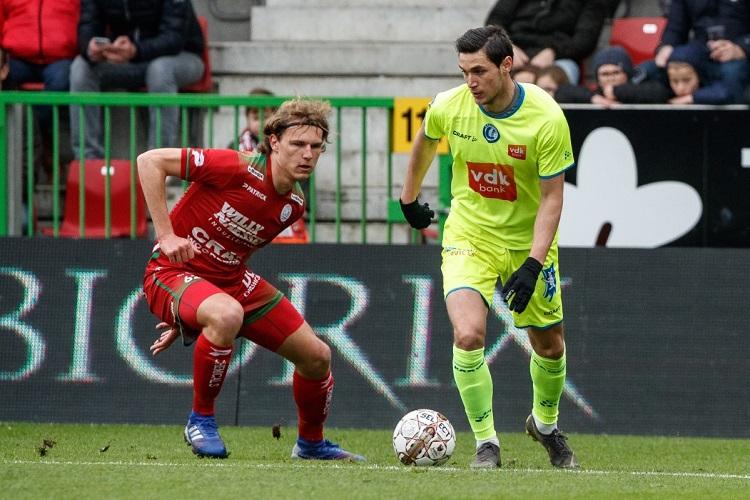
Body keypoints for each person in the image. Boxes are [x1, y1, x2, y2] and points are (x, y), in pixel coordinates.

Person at [138, 97, 364, 462]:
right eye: (297, 144)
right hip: (172, 273)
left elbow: (237, 247)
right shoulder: (236, 167)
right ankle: (200, 420)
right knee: (226, 313)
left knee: (317, 356)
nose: (307, 154)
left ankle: (311, 444)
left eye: (316, 146)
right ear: (274, 141)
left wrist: (196, 313)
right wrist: (165, 235)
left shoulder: (293, 205)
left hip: (229, 282)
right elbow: (149, 161)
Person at [400, 25, 578, 469]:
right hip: (470, 235)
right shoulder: (450, 105)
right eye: (463, 72)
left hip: (526, 242)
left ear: (506, 65)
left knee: (550, 346)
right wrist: (408, 198)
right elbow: (426, 137)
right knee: (467, 335)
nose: (471, 82)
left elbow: (552, 198)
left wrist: (534, 263)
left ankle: (546, 425)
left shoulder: (546, 117)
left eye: (479, 71)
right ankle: (487, 443)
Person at [70, 0, 205, 159]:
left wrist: (136, 50)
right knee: (82, 67)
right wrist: (91, 48)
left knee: (160, 70)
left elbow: (174, 38)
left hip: (182, 57)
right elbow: (88, 24)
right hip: (127, 58)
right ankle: (87, 160)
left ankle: (159, 160)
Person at [227, 87, 309, 244]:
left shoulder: (290, 146)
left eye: (265, 117)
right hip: (245, 210)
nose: (261, 123)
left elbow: (302, 176)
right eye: (255, 118)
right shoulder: (236, 146)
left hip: (281, 209)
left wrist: (304, 205)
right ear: (247, 119)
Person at [648, 0, 750, 103]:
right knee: (651, 70)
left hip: (739, 51)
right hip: (700, 50)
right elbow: (675, 27)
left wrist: (741, 48)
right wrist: (666, 46)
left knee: (731, 75)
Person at [485, 0, 608, 84]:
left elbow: (585, 40)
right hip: (514, 52)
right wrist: (507, 46)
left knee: (546, 83)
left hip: (560, 57)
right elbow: (494, 22)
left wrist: (554, 51)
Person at [555, 45, 671, 106]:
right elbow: (561, 92)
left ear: (627, 74)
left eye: (616, 72)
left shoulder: (639, 91)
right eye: (604, 74)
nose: (610, 78)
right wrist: (594, 98)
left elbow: (660, 93)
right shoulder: (595, 94)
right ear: (597, 78)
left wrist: (617, 92)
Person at [666, 41, 733, 104]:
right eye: (674, 81)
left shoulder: (714, 80)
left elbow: (723, 93)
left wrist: (691, 98)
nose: (680, 88)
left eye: (687, 80)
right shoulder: (664, 88)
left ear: (700, 75)